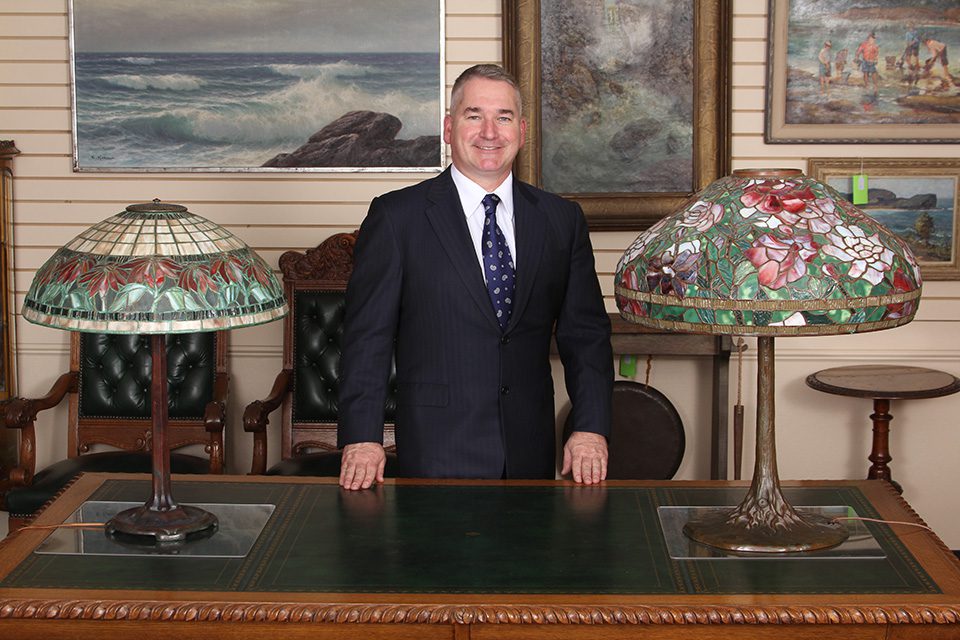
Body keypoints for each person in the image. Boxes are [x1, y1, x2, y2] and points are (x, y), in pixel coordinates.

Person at [337, 64, 613, 490]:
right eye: (474, 115)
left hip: (529, 449)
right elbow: (367, 338)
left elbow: (587, 335)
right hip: (435, 449)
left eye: (503, 117)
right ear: (449, 128)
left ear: (521, 130)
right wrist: (362, 437)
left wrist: (591, 428)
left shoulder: (561, 219)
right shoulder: (397, 218)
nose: (490, 132)